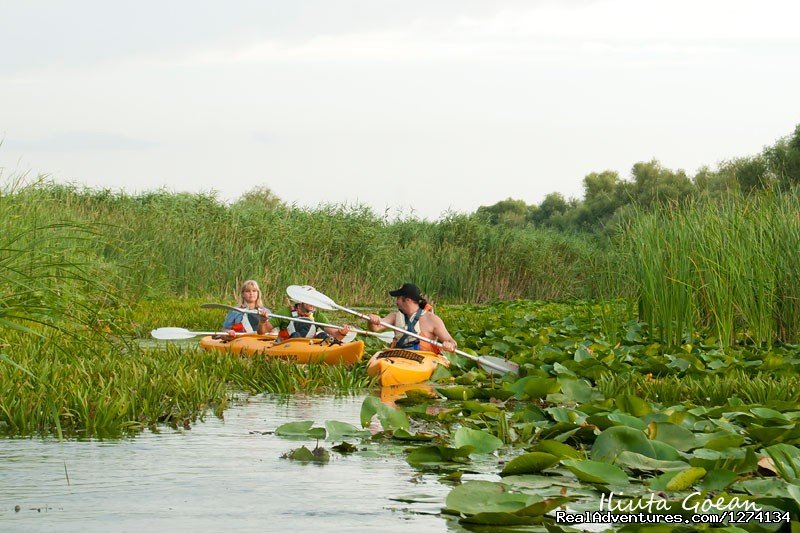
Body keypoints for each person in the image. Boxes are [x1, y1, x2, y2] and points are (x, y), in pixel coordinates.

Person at [366, 283, 457, 353]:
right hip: (398, 356)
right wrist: (372, 320)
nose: (396, 302)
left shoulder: (432, 319)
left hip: (424, 359)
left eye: (398, 298)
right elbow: (375, 328)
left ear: (408, 300)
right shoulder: (394, 316)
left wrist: (449, 345)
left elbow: (452, 341)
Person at [269, 298, 351, 341]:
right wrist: (262, 321)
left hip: (309, 346)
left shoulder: (317, 315)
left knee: (323, 336)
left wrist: (341, 333)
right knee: (296, 335)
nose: (313, 303)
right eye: (309, 301)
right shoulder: (285, 312)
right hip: (288, 345)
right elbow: (262, 330)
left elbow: (335, 334)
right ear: (301, 302)